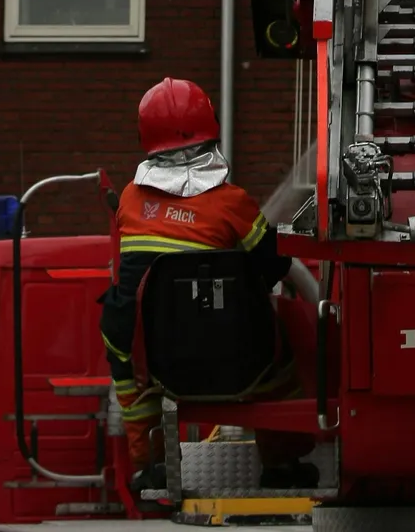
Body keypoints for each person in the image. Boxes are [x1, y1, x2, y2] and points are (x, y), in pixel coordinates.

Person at [100, 78, 293, 492]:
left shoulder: (132, 200)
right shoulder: (232, 202)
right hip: (236, 358)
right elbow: (273, 267)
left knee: (119, 341)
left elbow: (129, 275)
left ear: (144, 136)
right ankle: (281, 461)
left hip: (154, 362)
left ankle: (149, 461)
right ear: (212, 129)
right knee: (288, 357)